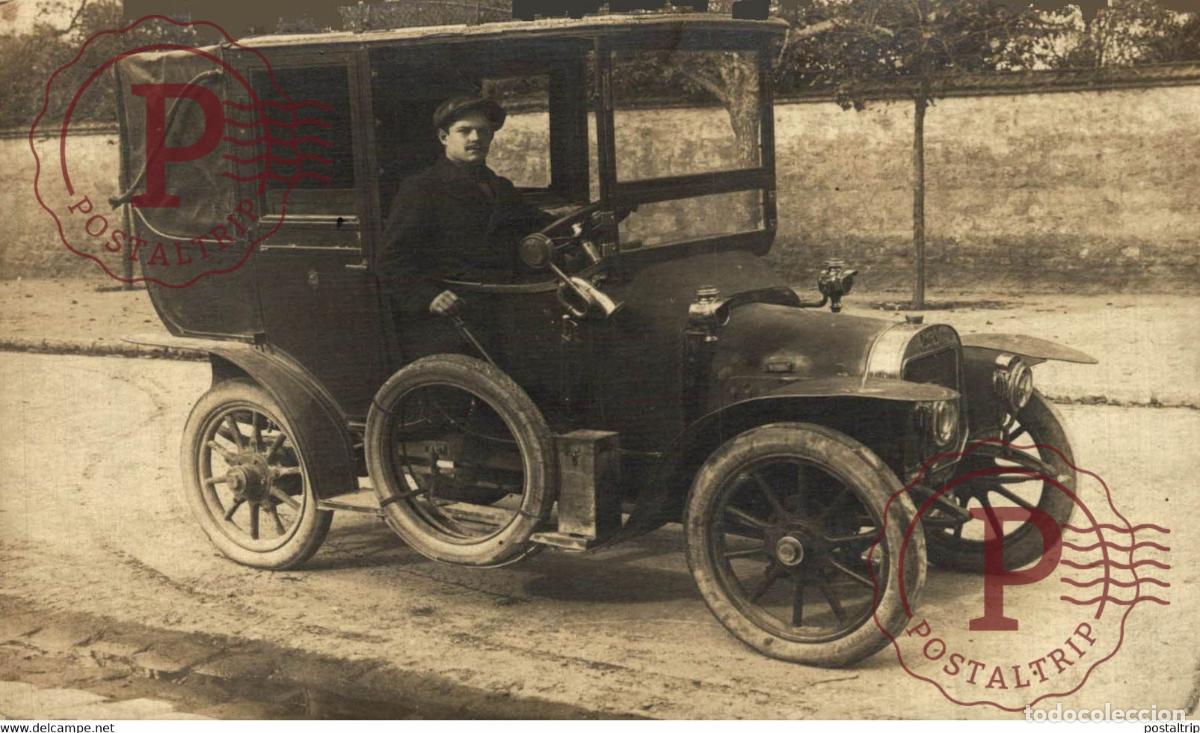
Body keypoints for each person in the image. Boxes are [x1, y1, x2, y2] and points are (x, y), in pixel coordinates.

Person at [376, 96, 552, 360]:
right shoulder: (422, 189)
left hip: (506, 308)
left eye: (483, 131)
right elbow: (391, 260)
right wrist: (429, 297)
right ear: (444, 137)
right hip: (455, 319)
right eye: (464, 130)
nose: (475, 138)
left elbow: (542, 227)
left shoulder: (500, 187)